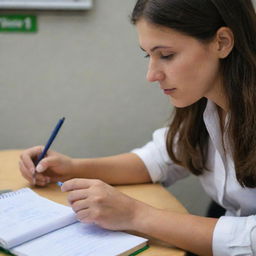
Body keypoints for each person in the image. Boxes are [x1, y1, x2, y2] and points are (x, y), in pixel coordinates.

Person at [19, 0, 256, 255]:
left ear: (222, 42)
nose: (151, 74)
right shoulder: (203, 102)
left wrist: (135, 215)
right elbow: (162, 157)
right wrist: (71, 168)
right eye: (148, 54)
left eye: (166, 55)